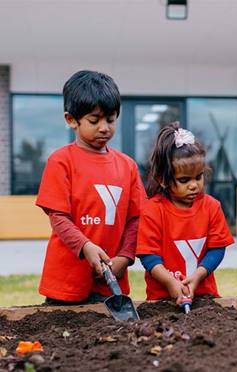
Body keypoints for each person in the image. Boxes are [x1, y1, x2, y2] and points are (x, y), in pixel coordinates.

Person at [36, 70, 145, 304]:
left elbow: (136, 219)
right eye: (94, 121)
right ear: (71, 120)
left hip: (111, 282)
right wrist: (85, 246)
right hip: (66, 279)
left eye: (111, 119)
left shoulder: (128, 166)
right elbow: (58, 216)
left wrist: (125, 257)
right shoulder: (61, 161)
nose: (104, 127)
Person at [136, 122, 234, 303]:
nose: (194, 185)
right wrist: (170, 283)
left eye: (199, 177)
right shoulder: (152, 211)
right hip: (162, 300)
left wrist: (198, 275)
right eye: (184, 180)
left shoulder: (212, 207)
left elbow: (217, 249)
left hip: (205, 297)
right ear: (163, 180)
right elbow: (148, 256)